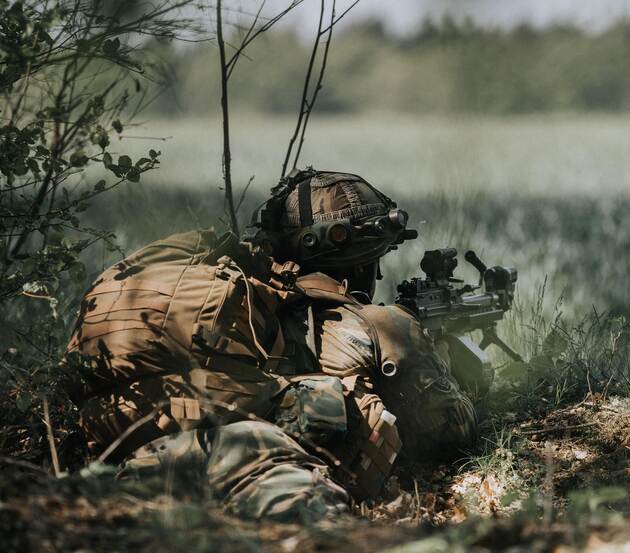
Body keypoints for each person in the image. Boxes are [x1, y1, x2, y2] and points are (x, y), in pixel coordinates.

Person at [66, 169, 478, 523]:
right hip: (262, 474)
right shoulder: (377, 325)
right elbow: (449, 432)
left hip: (126, 454)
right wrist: (455, 369)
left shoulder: (248, 300)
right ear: (362, 262)